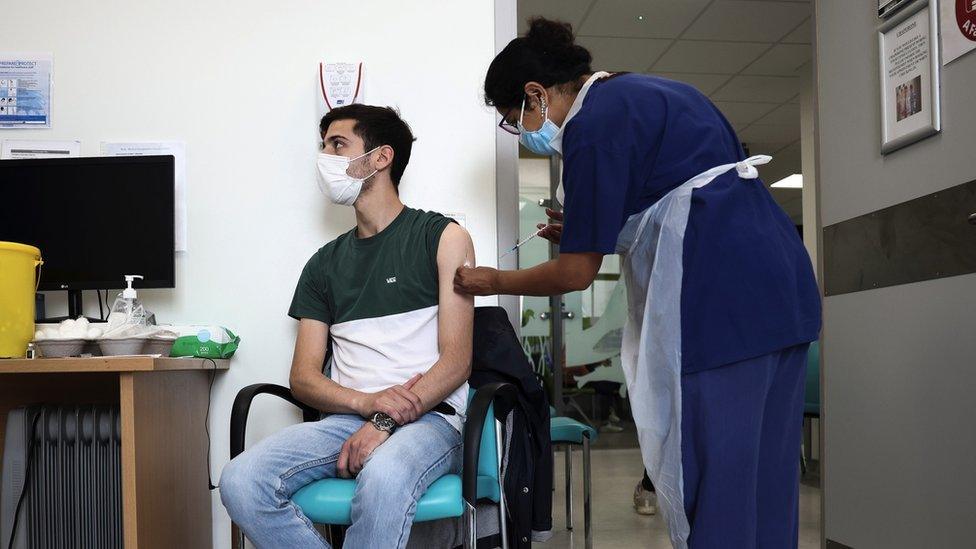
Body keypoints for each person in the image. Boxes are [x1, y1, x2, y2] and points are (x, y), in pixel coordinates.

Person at [453, 18, 821, 549]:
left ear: (536, 94)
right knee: (765, 472)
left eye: (517, 119)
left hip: (721, 304)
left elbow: (576, 273)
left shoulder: (591, 127)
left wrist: (493, 280)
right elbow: (683, 193)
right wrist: (599, 231)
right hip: (780, 292)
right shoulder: (648, 91)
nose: (525, 132)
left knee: (714, 474)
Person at [220, 104, 476, 548]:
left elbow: (456, 362)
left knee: (385, 475)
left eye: (338, 145)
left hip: (433, 420)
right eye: (323, 147)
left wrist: (385, 420)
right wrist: (367, 405)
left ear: (381, 157)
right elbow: (302, 378)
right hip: (348, 418)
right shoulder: (323, 265)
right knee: (241, 480)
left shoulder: (444, 237)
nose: (326, 159)